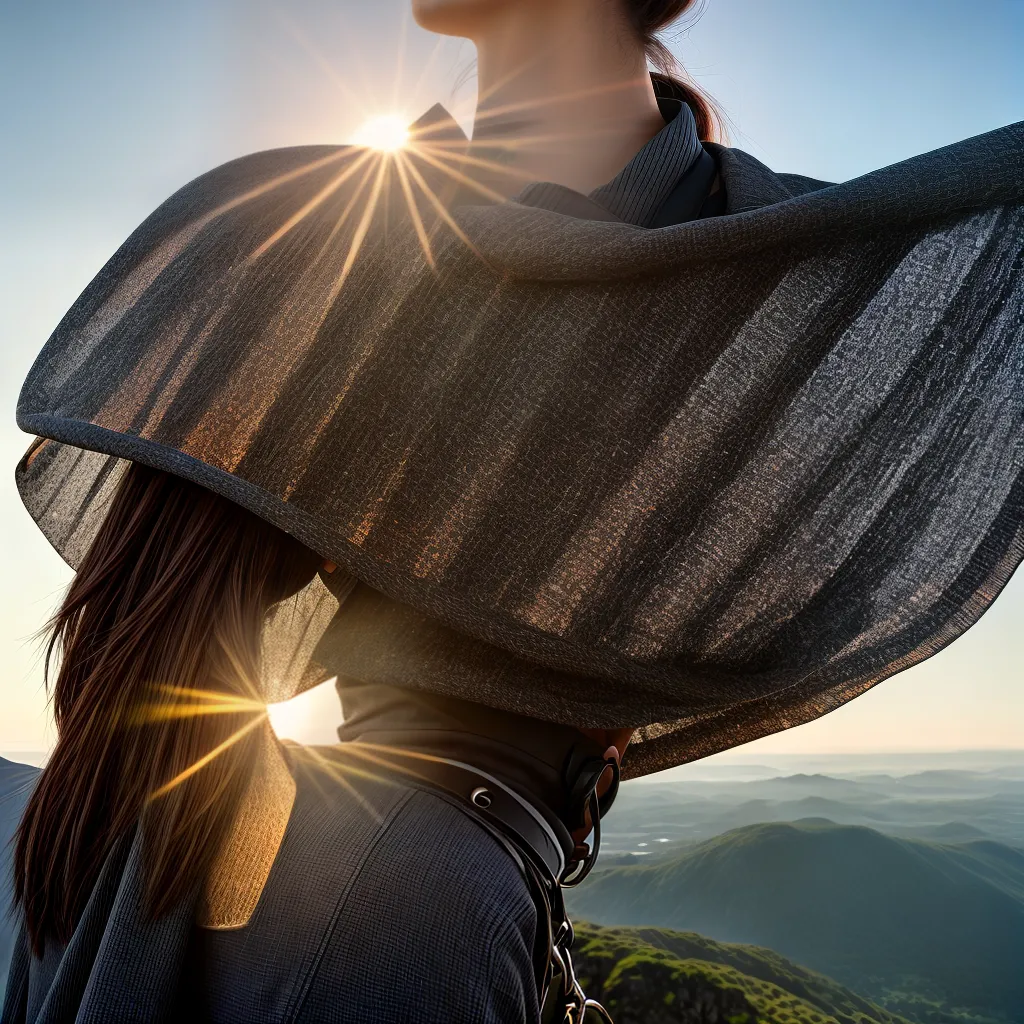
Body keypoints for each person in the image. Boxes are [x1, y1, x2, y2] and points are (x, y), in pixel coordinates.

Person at [4, 0, 1023, 1021]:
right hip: (391, 901)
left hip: (434, 878)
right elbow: (160, 644)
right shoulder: (329, 233)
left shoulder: (786, 268)